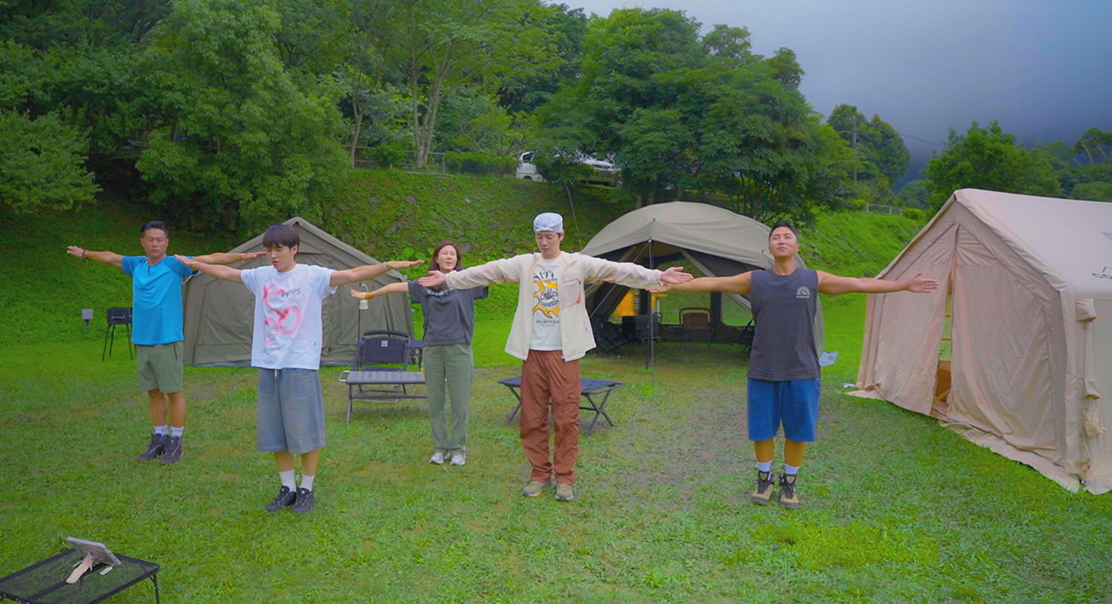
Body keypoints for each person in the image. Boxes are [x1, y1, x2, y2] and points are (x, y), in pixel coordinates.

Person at [659, 221, 939, 509]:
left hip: (802, 370)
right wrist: (669, 282)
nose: (781, 240)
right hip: (763, 368)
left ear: (797, 246)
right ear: (769, 247)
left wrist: (904, 285)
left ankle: (789, 483)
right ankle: (764, 480)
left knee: (798, 431)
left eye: (787, 237)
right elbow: (713, 282)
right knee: (762, 430)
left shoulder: (813, 279)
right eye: (776, 237)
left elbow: (859, 284)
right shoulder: (755, 280)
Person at [419, 212, 692, 501]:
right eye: (540, 237)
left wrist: (657, 275)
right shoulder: (525, 264)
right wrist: (449, 278)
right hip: (532, 352)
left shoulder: (577, 263)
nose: (544, 242)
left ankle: (564, 478)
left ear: (561, 236)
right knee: (532, 417)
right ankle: (539, 474)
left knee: (566, 417)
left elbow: (616, 270)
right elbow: (488, 271)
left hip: (565, 353)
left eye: (550, 236)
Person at [176, 224, 422, 514]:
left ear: (294, 249)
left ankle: (307, 488)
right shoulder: (261, 276)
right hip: (269, 364)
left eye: (279, 249)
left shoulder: (312, 275)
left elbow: (352, 275)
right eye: (269, 250)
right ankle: (287, 488)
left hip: (300, 364)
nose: (273, 255)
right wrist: (195, 264)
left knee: (305, 430)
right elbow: (227, 274)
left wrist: (388, 265)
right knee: (275, 431)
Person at [67, 222, 264, 464]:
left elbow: (211, 259)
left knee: (173, 391)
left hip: (167, 339)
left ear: (167, 243)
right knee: (153, 392)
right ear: (142, 242)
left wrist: (243, 256)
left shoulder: (174, 264)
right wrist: (85, 253)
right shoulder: (136, 264)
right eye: (150, 239)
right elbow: (111, 258)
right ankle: (158, 438)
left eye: (159, 239)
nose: (155, 243)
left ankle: (175, 441)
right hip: (143, 339)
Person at [350, 241, 487, 466]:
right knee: (435, 402)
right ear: (437, 258)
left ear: (457, 260)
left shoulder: (467, 282)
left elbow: (494, 276)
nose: (449, 257)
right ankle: (440, 448)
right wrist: (368, 295)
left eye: (453, 254)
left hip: (459, 348)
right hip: (432, 349)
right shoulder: (423, 285)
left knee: (460, 403)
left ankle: (458, 449)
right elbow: (393, 288)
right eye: (444, 253)